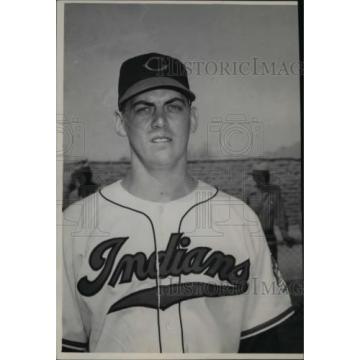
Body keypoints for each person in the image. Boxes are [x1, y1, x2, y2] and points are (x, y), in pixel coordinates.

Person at [61, 52, 295, 353]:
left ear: (192, 118)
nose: (160, 120)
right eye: (143, 108)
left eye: (173, 106)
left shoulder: (238, 220)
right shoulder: (75, 225)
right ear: (120, 123)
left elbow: (267, 346)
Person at [246, 163, 296, 261]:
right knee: (253, 268)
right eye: (256, 177)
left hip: (269, 235)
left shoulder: (274, 192)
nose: (259, 179)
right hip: (252, 236)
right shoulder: (249, 192)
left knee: (271, 267)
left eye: (262, 176)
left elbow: (280, 214)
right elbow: (241, 214)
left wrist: (284, 233)